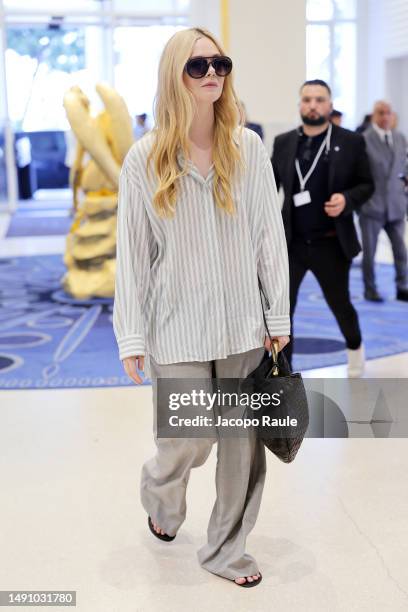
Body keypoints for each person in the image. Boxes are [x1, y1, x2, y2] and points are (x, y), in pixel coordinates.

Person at [113, 27, 290, 587]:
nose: (213, 73)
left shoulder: (250, 147)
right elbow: (133, 256)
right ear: (175, 76)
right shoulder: (144, 160)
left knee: (241, 449)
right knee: (189, 436)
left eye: (220, 63)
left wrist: (277, 314)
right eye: (198, 66)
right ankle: (162, 500)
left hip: (243, 327)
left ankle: (225, 551)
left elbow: (269, 235)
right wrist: (131, 335)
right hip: (177, 329)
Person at [271, 79, 375, 377]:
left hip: (331, 242)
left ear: (329, 105)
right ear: (300, 104)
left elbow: (368, 184)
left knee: (340, 304)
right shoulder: (284, 142)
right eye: (306, 99)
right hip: (291, 243)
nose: (312, 105)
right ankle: (284, 372)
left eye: (319, 99)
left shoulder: (351, 141)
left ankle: (355, 350)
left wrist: (347, 199)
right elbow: (268, 188)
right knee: (282, 312)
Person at [359, 100, 408, 302]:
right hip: (372, 205)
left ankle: (402, 287)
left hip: (396, 205)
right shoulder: (363, 140)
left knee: (401, 251)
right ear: (374, 116)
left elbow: (403, 166)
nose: (386, 117)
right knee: (370, 254)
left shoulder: (399, 137)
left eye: (389, 112)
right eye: (381, 113)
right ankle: (370, 289)